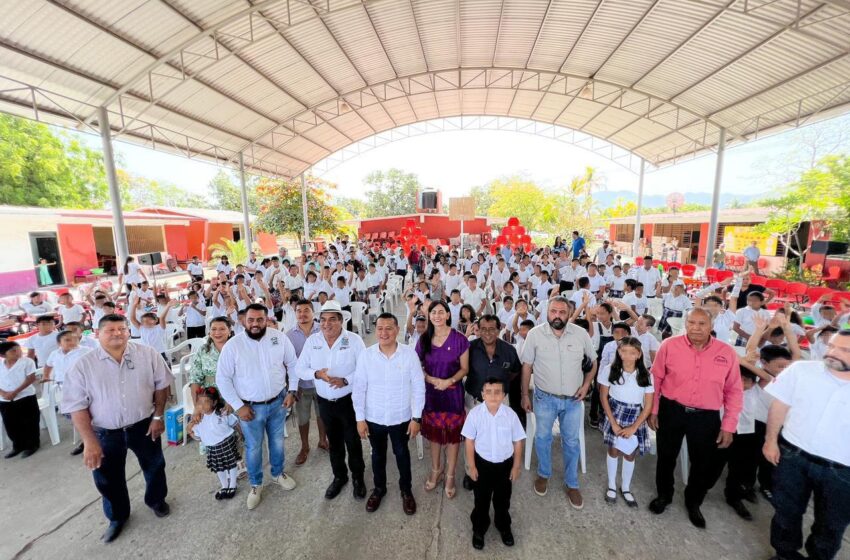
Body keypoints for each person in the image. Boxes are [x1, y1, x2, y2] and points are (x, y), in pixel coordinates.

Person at [61, 314, 173, 543]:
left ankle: (156, 500)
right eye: (110, 330)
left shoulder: (147, 354)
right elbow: (76, 406)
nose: (117, 333)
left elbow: (162, 385)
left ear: (128, 331)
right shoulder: (83, 366)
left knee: (154, 465)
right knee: (108, 478)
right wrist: (90, 441)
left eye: (121, 329)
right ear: (97, 334)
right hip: (104, 432)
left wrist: (158, 416)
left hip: (143, 424)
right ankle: (117, 517)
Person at [648, 307, 743, 528]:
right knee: (666, 456)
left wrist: (729, 425)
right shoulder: (669, 345)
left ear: (711, 326)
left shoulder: (726, 352)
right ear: (685, 323)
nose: (695, 328)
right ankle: (664, 495)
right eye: (691, 323)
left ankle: (693, 502)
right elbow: (656, 379)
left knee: (702, 463)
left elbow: (734, 391)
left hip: (706, 417)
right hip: (672, 410)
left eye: (701, 324)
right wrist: (653, 410)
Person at [763, 329, 850, 560]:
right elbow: (779, 406)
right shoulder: (802, 370)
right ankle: (784, 553)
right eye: (831, 346)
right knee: (785, 511)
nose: (832, 353)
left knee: (831, 523)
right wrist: (771, 440)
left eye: (844, 350)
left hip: (842, 471)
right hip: (793, 456)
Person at [216, 303, 298, 510]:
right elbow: (223, 379)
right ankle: (256, 484)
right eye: (250, 320)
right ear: (243, 320)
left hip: (278, 402)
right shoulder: (233, 345)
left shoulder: (279, 338)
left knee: (277, 441)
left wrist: (292, 391)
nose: (255, 324)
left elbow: (293, 364)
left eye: (259, 319)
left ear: (266, 318)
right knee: (253, 448)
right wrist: (238, 406)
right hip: (250, 409)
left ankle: (278, 473)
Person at [520, 296, 597, 509]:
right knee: (543, 438)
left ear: (568, 313)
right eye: (553, 311)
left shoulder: (580, 334)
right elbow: (527, 366)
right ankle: (544, 473)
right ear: (547, 311)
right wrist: (525, 395)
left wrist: (586, 385)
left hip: (573, 400)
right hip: (544, 398)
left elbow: (593, 362)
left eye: (562, 312)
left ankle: (572, 483)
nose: (557, 315)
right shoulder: (535, 335)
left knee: (571, 442)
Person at [353, 313, 425, 515]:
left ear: (397, 330)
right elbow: (359, 389)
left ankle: (406, 490)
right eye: (380, 328)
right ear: (376, 331)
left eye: (389, 328)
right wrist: (360, 419)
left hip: (401, 418)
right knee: (377, 455)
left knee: (402, 454)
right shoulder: (366, 356)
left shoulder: (409, 355)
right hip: (374, 418)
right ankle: (379, 489)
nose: (384, 332)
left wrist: (416, 418)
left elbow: (419, 387)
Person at [295, 300, 367, 501]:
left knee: (353, 442)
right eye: (323, 320)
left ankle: (358, 479)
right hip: (324, 402)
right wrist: (316, 374)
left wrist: (346, 380)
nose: (327, 324)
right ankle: (340, 477)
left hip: (348, 401)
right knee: (334, 443)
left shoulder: (353, 340)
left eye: (332, 320)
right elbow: (299, 369)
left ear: (341, 321)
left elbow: (364, 370)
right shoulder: (313, 341)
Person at [463, 377, 525, 551]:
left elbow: (518, 441)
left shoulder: (510, 415)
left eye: (497, 392)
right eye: (488, 392)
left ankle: (503, 526)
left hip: (505, 466)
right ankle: (479, 529)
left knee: (503, 500)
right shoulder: (475, 414)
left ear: (504, 395)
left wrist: (516, 466)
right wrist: (472, 466)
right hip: (482, 465)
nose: (492, 395)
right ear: (482, 394)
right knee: (481, 500)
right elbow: (469, 441)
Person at [417, 300, 470, 499]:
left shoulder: (460, 339)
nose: (437, 316)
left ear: (448, 315)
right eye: (433, 312)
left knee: (453, 437)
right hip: (431, 394)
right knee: (435, 436)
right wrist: (431, 379)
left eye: (441, 312)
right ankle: (436, 470)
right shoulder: (424, 339)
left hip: (453, 393)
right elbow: (417, 365)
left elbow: (465, 368)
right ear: (429, 316)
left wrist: (449, 381)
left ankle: (450, 475)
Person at [598, 337, 654, 507]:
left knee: (630, 454)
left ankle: (626, 487)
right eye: (623, 351)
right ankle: (611, 485)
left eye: (632, 352)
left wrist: (634, 427)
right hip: (615, 413)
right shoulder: (609, 370)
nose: (627, 356)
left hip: (635, 417)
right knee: (614, 450)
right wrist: (613, 423)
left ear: (638, 354)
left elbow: (648, 405)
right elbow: (603, 397)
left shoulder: (646, 375)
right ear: (618, 352)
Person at [284, 299, 328, 466]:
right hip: (302, 386)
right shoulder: (289, 335)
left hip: (321, 383)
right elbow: (288, 364)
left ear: (313, 312)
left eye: (306, 310)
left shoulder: (322, 330)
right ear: (295, 314)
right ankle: (304, 447)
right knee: (303, 418)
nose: (302, 314)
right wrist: (292, 388)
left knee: (321, 415)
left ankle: (323, 441)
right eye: (298, 311)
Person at [188, 386, 241, 500]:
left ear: (214, 402)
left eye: (205, 402)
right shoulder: (198, 420)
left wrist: (242, 434)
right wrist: (191, 431)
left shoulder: (222, 413)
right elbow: (197, 436)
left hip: (226, 442)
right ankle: (224, 486)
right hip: (212, 448)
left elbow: (234, 422)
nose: (201, 405)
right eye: (199, 402)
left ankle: (233, 484)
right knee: (219, 467)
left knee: (231, 464)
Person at [44, 330, 92, 455]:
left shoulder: (85, 351)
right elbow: (48, 365)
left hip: (82, 387)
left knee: (87, 413)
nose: (73, 342)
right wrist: (46, 376)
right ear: (59, 343)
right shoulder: (55, 354)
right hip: (62, 387)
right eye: (67, 340)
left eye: (75, 339)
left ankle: (87, 442)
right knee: (72, 416)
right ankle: (86, 439)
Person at [0, 341, 40, 459]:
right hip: (5, 399)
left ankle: (32, 445)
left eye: (18, 349)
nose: (18, 352)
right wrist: (3, 393)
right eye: (13, 351)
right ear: (3, 355)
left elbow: (30, 378)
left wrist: (15, 392)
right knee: (11, 424)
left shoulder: (27, 361)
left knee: (30, 422)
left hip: (26, 396)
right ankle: (17, 446)